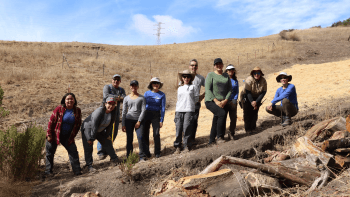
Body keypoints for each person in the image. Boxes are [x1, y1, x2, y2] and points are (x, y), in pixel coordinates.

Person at [45, 93, 82, 176]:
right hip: (55, 134)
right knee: (49, 153)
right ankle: (48, 172)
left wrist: (73, 136)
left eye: (71, 99)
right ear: (64, 100)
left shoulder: (77, 110)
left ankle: (77, 171)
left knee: (73, 151)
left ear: (74, 100)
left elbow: (78, 124)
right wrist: (49, 135)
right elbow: (51, 122)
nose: (70, 101)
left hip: (67, 136)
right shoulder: (59, 109)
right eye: (67, 99)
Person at [81, 97, 120, 172]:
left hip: (99, 129)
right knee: (88, 146)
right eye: (109, 103)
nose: (111, 106)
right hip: (88, 129)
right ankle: (89, 166)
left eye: (113, 104)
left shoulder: (113, 112)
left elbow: (110, 124)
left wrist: (107, 135)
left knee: (107, 142)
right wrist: (91, 138)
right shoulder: (99, 111)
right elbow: (94, 125)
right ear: (105, 104)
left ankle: (114, 159)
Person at [97, 74, 126, 160]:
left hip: (116, 112)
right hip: (106, 112)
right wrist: (118, 97)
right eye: (114, 79)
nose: (116, 81)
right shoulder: (107, 87)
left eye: (118, 80)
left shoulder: (121, 89)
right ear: (112, 80)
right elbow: (106, 96)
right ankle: (101, 152)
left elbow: (124, 98)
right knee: (103, 130)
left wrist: (114, 97)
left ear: (120, 81)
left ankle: (107, 150)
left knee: (114, 131)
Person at [205, 58, 232, 144]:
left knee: (217, 117)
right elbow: (208, 89)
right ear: (214, 66)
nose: (219, 66)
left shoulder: (226, 76)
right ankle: (220, 137)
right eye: (217, 64)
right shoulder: (210, 75)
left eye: (220, 64)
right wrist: (216, 101)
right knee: (222, 114)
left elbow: (230, 89)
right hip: (211, 101)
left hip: (222, 102)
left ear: (223, 65)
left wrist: (225, 100)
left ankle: (211, 140)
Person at [174, 70, 199, 154]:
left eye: (188, 77)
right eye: (184, 76)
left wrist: (190, 105)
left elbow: (196, 99)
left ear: (190, 78)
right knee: (178, 129)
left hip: (188, 110)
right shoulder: (179, 88)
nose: (186, 78)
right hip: (179, 110)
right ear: (182, 78)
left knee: (187, 128)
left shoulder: (193, 87)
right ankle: (177, 146)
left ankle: (186, 146)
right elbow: (178, 100)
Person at [141, 77, 166, 158]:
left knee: (156, 134)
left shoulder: (162, 95)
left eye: (157, 83)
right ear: (151, 84)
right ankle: (146, 152)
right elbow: (143, 106)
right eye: (154, 83)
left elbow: (162, 108)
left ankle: (157, 152)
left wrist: (161, 120)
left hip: (156, 115)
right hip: (146, 114)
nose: (156, 85)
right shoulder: (146, 94)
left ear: (159, 85)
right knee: (145, 134)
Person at [122, 80, 146, 161]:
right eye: (132, 85)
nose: (133, 87)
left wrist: (139, 121)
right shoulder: (126, 98)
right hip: (129, 120)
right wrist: (123, 124)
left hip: (139, 120)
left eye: (135, 85)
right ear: (130, 87)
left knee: (140, 137)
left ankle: (142, 156)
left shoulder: (142, 98)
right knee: (129, 139)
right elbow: (124, 111)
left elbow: (143, 110)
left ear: (138, 87)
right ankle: (129, 157)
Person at [240, 67, 267, 133]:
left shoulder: (263, 80)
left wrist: (257, 101)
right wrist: (252, 102)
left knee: (255, 112)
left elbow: (263, 92)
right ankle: (248, 129)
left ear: (260, 73)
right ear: (252, 74)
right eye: (255, 73)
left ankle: (253, 127)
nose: (256, 74)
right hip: (247, 96)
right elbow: (247, 91)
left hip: (257, 97)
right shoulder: (249, 79)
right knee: (247, 113)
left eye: (258, 73)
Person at [188, 59, 206, 144]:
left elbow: (208, 86)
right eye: (192, 65)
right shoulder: (185, 77)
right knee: (187, 122)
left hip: (196, 103)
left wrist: (202, 96)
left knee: (194, 121)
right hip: (187, 104)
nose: (193, 67)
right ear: (189, 66)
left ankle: (192, 140)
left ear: (197, 67)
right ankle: (186, 140)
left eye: (195, 65)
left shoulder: (200, 78)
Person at [225, 64, 239, 140]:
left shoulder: (235, 80)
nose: (231, 71)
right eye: (229, 70)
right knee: (223, 118)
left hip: (233, 101)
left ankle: (231, 133)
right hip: (225, 101)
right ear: (226, 71)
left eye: (232, 70)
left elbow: (237, 91)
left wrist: (235, 99)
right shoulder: (224, 79)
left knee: (233, 118)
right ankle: (221, 135)